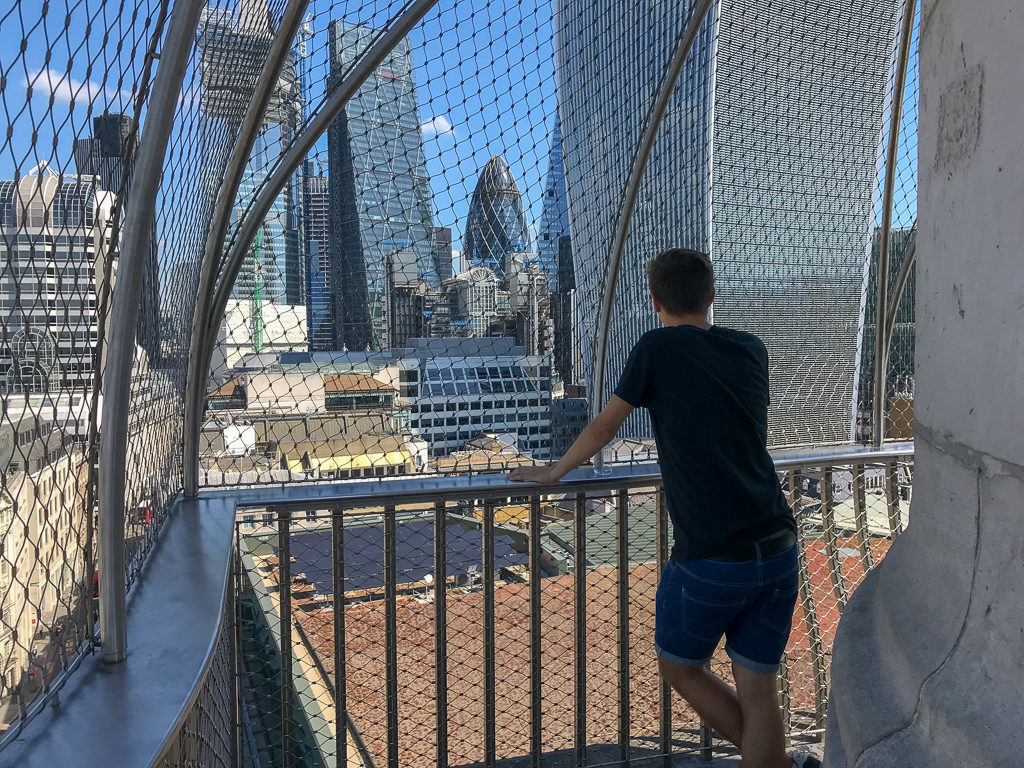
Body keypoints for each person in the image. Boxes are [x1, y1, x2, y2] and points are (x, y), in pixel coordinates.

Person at [508, 248, 819, 768]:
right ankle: (776, 761)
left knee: (679, 666)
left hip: (712, 553)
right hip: (778, 543)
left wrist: (553, 471)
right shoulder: (751, 349)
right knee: (759, 689)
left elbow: (605, 425)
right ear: (712, 296)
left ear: (656, 302)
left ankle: (774, 761)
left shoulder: (657, 348)